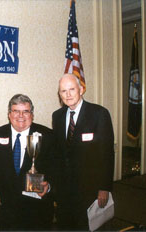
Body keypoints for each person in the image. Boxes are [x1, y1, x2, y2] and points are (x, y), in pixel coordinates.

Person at [0, 94, 55, 231]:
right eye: (16, 111)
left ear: (32, 115)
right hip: (7, 206)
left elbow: (57, 168)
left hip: (37, 209)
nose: (20, 116)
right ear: (9, 114)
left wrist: (49, 186)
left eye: (25, 111)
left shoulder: (48, 136)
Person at [52, 73, 115, 230]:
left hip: (90, 190)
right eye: (63, 91)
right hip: (64, 191)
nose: (68, 95)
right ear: (59, 94)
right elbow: (59, 153)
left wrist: (104, 187)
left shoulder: (99, 114)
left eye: (72, 89)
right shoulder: (57, 116)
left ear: (81, 89)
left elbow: (107, 153)